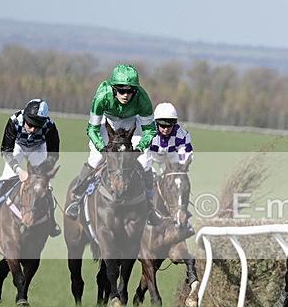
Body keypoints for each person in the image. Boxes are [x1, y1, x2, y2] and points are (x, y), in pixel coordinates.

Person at [64, 64, 162, 225]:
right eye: (121, 90)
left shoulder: (143, 99)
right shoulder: (102, 96)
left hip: (132, 123)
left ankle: (150, 205)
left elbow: (150, 131)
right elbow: (92, 129)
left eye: (130, 91)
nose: (126, 95)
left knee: (145, 161)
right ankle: (76, 198)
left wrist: (138, 149)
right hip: (107, 122)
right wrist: (102, 148)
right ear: (114, 88)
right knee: (95, 158)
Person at [0, 99, 62, 236]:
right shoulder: (14, 121)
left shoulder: (50, 126)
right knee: (6, 178)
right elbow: (6, 151)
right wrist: (18, 170)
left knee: (45, 185)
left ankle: (52, 222)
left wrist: (39, 171)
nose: (32, 130)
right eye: (30, 125)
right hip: (18, 146)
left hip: (38, 147)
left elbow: (53, 156)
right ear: (25, 118)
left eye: (37, 127)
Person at [146, 102, 195, 236]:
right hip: (150, 157)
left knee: (177, 183)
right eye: (162, 125)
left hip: (171, 158)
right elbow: (144, 156)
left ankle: (183, 215)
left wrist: (180, 169)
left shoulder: (182, 135)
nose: (166, 129)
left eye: (169, 125)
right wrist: (153, 173)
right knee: (146, 178)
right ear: (156, 123)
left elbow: (184, 155)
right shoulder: (148, 132)